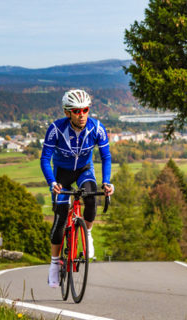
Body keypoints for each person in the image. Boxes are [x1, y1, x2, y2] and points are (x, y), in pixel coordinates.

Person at [40, 89, 114, 288]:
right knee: (61, 217)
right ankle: (54, 264)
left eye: (85, 110)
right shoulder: (56, 129)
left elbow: (106, 157)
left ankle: (87, 234)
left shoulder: (97, 128)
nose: (81, 114)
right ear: (67, 112)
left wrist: (106, 182)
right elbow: (45, 159)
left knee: (90, 198)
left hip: (83, 170)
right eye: (76, 111)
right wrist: (52, 183)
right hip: (61, 175)